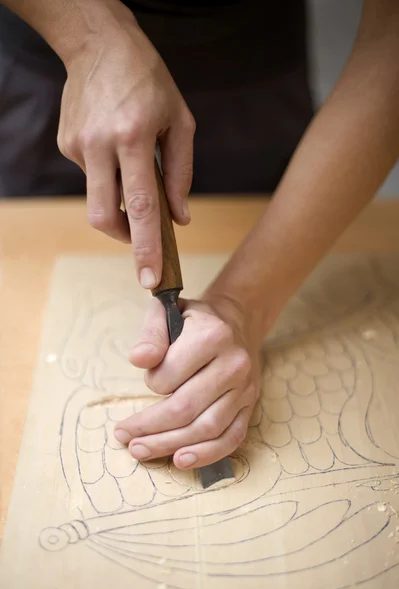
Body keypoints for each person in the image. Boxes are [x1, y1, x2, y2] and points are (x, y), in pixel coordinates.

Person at [1, 0, 398, 472]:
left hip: (252, 76)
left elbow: (390, 40)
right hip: (55, 61)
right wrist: (88, 37)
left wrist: (242, 305)